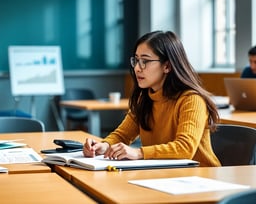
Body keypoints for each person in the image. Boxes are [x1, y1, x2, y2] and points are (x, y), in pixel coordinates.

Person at [83, 31, 221, 167]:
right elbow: (122, 135)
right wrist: (103, 146)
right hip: (164, 176)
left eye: (145, 61)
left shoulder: (191, 100)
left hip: (202, 178)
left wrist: (139, 153)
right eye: (136, 60)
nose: (137, 68)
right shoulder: (144, 99)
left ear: (167, 66)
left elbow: (185, 148)